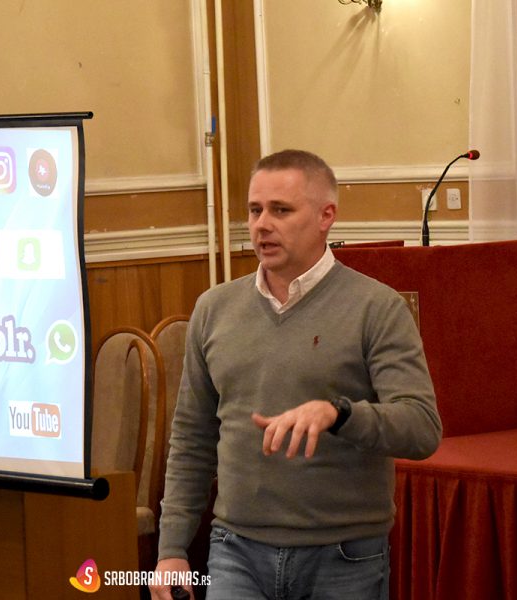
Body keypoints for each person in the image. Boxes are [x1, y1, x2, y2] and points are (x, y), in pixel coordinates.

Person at [150, 149, 442, 600]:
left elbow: (421, 428)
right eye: (255, 210)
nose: (262, 225)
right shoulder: (214, 309)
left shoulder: (376, 308)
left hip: (344, 556)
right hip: (235, 551)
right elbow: (192, 436)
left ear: (327, 216)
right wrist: (171, 549)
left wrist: (338, 414)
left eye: (281, 210)